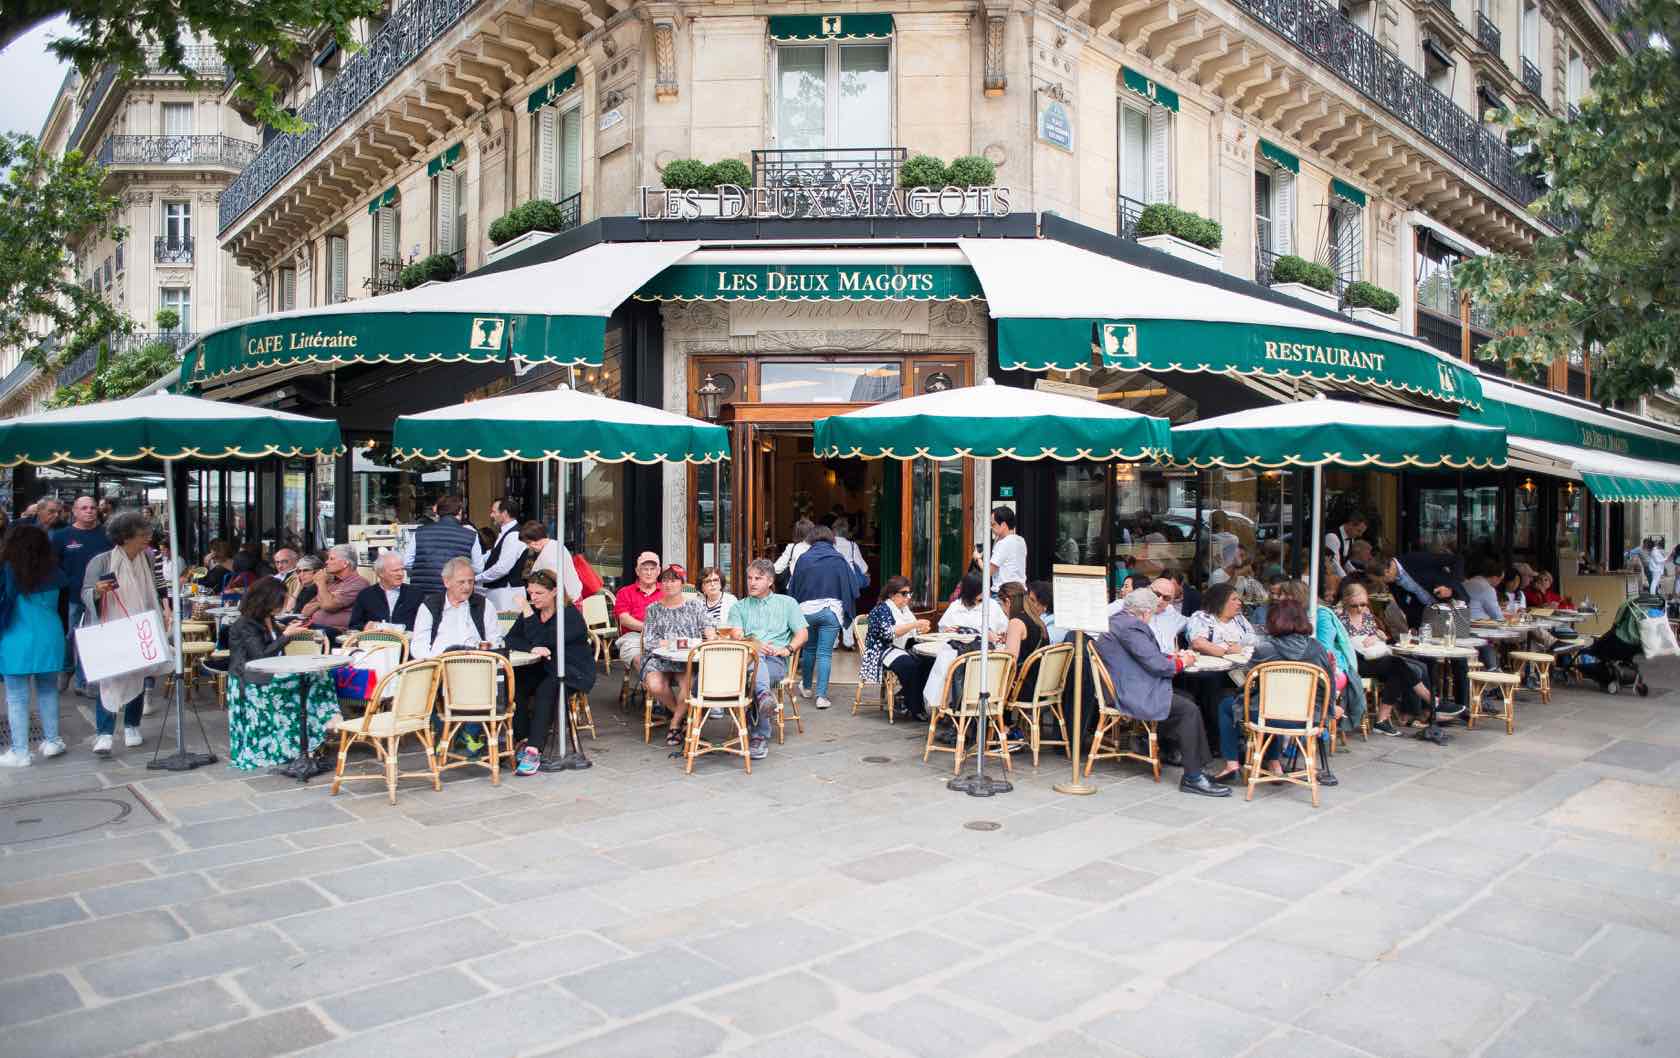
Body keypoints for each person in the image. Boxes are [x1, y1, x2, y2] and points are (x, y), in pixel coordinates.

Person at [1095, 588, 1228, 797]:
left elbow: (1147, 657)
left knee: (1188, 699)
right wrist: (1182, 661)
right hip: (1131, 692)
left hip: (1128, 685)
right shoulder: (1131, 627)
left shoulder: (1118, 621)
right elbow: (1157, 665)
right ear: (1146, 612)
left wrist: (1172, 657)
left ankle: (1194, 764)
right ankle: (1193, 776)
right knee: (1189, 710)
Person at [1219, 598, 1338, 786]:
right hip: (1305, 718)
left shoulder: (1266, 649)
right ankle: (1274, 764)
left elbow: (1248, 681)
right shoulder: (1316, 648)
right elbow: (1329, 684)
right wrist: (1325, 714)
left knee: (1230, 705)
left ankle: (1232, 764)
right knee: (1266, 704)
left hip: (1268, 715)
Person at [225, 578, 338, 771]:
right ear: (267, 601)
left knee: (318, 676)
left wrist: (286, 630)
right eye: (280, 601)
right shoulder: (245, 624)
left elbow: (272, 648)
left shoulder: (267, 620)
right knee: (312, 680)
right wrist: (287, 635)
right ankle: (322, 723)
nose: (283, 605)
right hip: (252, 680)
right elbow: (260, 656)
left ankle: (320, 725)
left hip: (270, 675)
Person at [81, 512, 170, 756]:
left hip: (140, 625)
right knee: (109, 677)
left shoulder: (148, 559)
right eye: (142, 535)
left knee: (138, 674)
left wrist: (163, 610)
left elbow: (155, 586)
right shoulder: (102, 561)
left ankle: (132, 725)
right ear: (125, 537)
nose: (147, 539)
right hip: (111, 626)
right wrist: (98, 591)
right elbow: (86, 593)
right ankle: (105, 733)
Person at [505, 570, 595, 774]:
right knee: (514, 683)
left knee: (547, 689)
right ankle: (524, 739)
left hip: (572, 670)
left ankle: (534, 750)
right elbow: (511, 639)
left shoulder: (569, 615)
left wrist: (527, 612)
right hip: (543, 666)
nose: (533, 598)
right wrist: (532, 648)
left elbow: (543, 638)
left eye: (538, 593)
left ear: (554, 591)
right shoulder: (535, 612)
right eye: (531, 593)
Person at [0, 525, 67, 766]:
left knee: (16, 698)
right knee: (48, 690)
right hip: (50, 636)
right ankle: (52, 741)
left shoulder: (7, 570)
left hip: (15, 638)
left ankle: (20, 752)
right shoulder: (53, 570)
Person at [731, 558, 809, 761]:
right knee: (754, 667)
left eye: (758, 578)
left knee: (755, 673)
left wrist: (788, 648)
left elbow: (802, 634)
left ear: (771, 581)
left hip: (775, 660)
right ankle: (764, 699)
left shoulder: (787, 603)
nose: (752, 582)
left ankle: (758, 734)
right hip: (746, 660)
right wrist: (755, 643)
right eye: (749, 578)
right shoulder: (739, 607)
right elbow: (736, 634)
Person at [1337, 579, 1433, 737]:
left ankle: (1382, 721)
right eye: (1355, 606)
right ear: (1346, 602)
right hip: (1355, 662)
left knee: (1397, 669)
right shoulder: (1340, 619)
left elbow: (1375, 637)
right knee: (1398, 664)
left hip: (1375, 659)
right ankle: (1430, 701)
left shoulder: (1367, 617)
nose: (1360, 609)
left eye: (1363, 604)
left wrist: (1377, 637)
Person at [638, 566, 715, 745]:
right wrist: (675, 643)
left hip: (686, 660)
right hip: (658, 658)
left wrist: (710, 634)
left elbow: (708, 626)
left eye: (673, 580)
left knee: (689, 685)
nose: (668, 584)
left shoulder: (695, 605)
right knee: (655, 685)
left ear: (682, 583)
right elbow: (649, 641)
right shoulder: (653, 609)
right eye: (665, 580)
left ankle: (674, 724)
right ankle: (685, 717)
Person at [788, 525, 859, 712]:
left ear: (811, 539)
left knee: (809, 649)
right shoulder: (838, 559)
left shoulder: (804, 559)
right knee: (825, 653)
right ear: (831, 539)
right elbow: (853, 585)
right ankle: (821, 696)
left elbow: (793, 587)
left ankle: (806, 687)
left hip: (806, 612)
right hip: (831, 611)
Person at [52, 495, 113, 697]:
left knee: (91, 638)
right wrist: (67, 583)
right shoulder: (62, 536)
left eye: (93, 508)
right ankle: (67, 667)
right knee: (72, 636)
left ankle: (84, 680)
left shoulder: (107, 535)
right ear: (75, 512)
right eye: (84, 508)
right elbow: (53, 565)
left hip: (101, 595)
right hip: (73, 596)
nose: (89, 511)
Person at [923, 572, 1008, 714]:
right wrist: (949, 630)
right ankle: (951, 706)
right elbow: (944, 629)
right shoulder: (956, 606)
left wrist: (994, 635)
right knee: (947, 669)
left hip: (984, 658)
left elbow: (1003, 630)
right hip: (955, 654)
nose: (984, 593)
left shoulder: (991, 606)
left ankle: (960, 709)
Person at [861, 575, 932, 721]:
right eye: (904, 593)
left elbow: (910, 631)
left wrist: (920, 629)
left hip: (899, 647)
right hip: (880, 650)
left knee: (928, 662)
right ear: (892, 595)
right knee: (909, 665)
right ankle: (915, 707)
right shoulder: (882, 609)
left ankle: (904, 696)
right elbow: (889, 634)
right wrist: (915, 625)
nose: (908, 597)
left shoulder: (904, 610)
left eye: (909, 593)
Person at [411, 557, 504, 660]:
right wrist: (434, 665)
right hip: (440, 668)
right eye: (461, 582)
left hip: (477, 666)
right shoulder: (430, 606)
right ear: (446, 582)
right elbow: (419, 647)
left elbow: (495, 641)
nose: (467, 587)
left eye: (471, 581)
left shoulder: (484, 605)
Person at [402, 495, 483, 597]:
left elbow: (407, 562)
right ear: (459, 512)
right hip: (455, 592)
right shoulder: (471, 535)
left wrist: (422, 568)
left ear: (438, 513)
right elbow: (478, 567)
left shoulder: (420, 532)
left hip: (423, 592)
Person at [299, 545, 368, 638]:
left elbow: (328, 606)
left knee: (296, 634)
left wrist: (321, 584)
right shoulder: (333, 583)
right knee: (286, 625)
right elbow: (305, 611)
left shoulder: (358, 583)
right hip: (317, 628)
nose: (326, 562)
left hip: (338, 633)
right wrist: (326, 598)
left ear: (345, 563)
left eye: (331, 559)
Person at [997, 581, 1046, 710]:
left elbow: (1010, 661)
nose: (1002, 610)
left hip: (1023, 688)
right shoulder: (1037, 621)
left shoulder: (1016, 622)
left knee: (980, 683)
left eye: (1001, 604)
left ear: (1007, 601)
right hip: (1040, 686)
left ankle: (1002, 726)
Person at [348, 552, 424, 631]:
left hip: (406, 641)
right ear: (381, 573)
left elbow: (423, 624)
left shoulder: (415, 594)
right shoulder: (366, 595)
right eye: (395, 571)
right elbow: (354, 625)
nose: (400, 574)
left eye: (402, 569)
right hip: (375, 641)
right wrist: (369, 626)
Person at [479, 498, 529, 612]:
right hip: (502, 594)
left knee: (507, 627)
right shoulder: (506, 533)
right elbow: (492, 555)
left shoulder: (513, 535)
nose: (491, 515)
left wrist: (477, 578)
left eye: (494, 512)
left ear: (505, 513)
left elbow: (502, 568)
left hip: (507, 596)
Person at [613, 551, 662, 666]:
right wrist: (649, 627)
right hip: (634, 637)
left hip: (662, 636)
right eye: (645, 569)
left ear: (658, 571)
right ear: (637, 571)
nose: (649, 573)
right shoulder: (625, 592)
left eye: (652, 569)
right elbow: (624, 619)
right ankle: (650, 679)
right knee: (647, 665)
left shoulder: (667, 591)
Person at [515, 521, 585, 602]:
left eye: (527, 543)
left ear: (535, 541)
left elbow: (550, 585)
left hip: (565, 602)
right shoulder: (555, 544)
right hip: (571, 597)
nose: (527, 546)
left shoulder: (548, 556)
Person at [1185, 583, 1256, 658]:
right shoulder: (1201, 617)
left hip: (1242, 662)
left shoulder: (1239, 618)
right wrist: (1227, 651)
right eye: (1234, 599)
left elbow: (1252, 638)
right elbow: (1198, 644)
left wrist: (1242, 648)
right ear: (1220, 602)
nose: (1239, 603)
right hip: (1212, 666)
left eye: (1238, 599)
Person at [989, 506, 1027, 589]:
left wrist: (977, 558)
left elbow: (988, 571)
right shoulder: (1020, 540)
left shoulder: (1003, 543)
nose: (991, 528)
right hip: (1019, 591)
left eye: (993, 524)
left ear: (1003, 525)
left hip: (1003, 593)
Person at [1325, 512, 1368, 578]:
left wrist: (1355, 572)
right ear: (1350, 524)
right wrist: (1345, 579)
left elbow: (1345, 561)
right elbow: (1335, 563)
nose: (1360, 535)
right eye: (1358, 531)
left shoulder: (1351, 539)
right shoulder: (1332, 537)